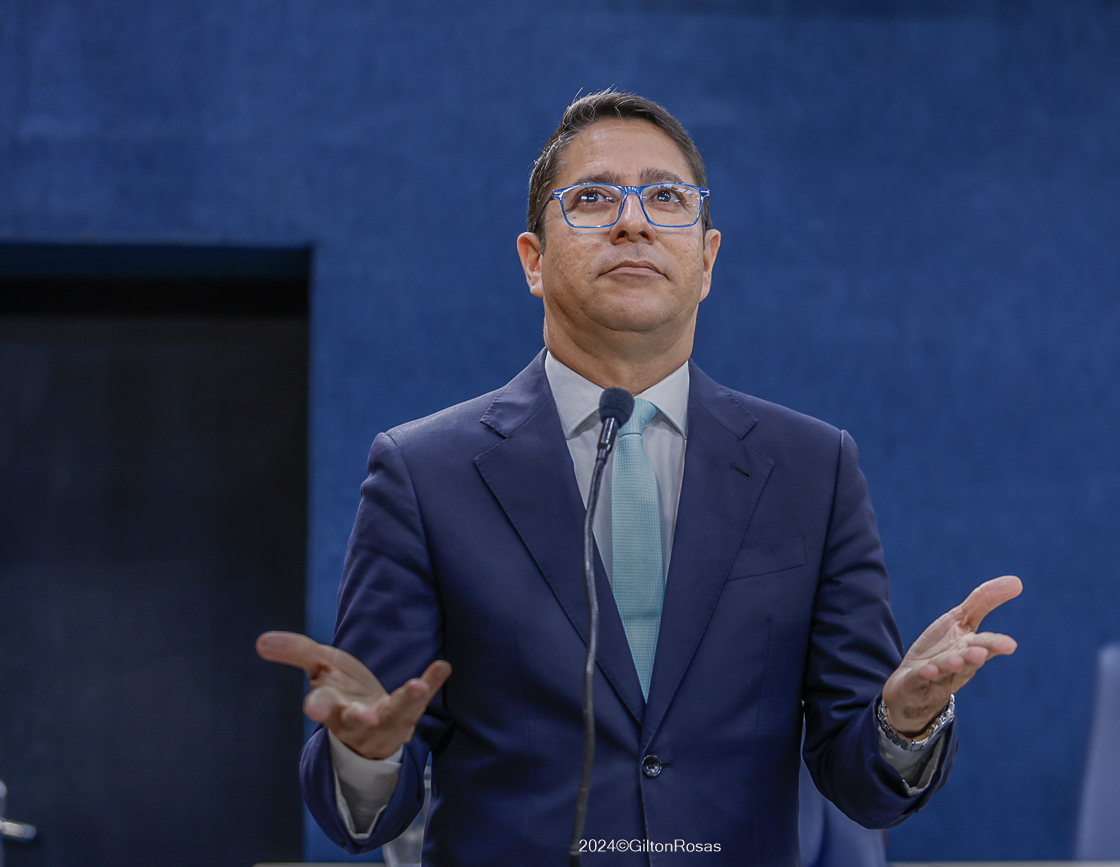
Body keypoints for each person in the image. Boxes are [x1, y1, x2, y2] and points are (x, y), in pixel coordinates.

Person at [257, 90, 1021, 866]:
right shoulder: (424, 474)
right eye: (593, 198)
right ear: (533, 260)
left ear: (707, 260)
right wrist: (367, 753)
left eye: (666, 197)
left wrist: (902, 720)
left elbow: (859, 783)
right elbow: (365, 804)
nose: (633, 221)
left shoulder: (812, 470)